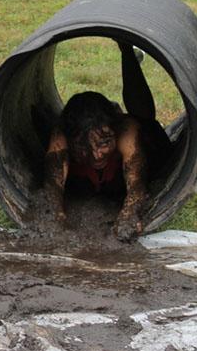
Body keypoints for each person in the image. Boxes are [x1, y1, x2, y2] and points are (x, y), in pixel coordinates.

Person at [44, 42, 173, 241]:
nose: (96, 155)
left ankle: (128, 53)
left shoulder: (127, 132)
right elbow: (52, 187)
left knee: (144, 117)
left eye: (104, 143)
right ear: (72, 139)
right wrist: (55, 218)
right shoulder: (61, 138)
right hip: (93, 183)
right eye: (85, 148)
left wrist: (128, 215)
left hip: (150, 145)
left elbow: (137, 186)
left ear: (115, 128)